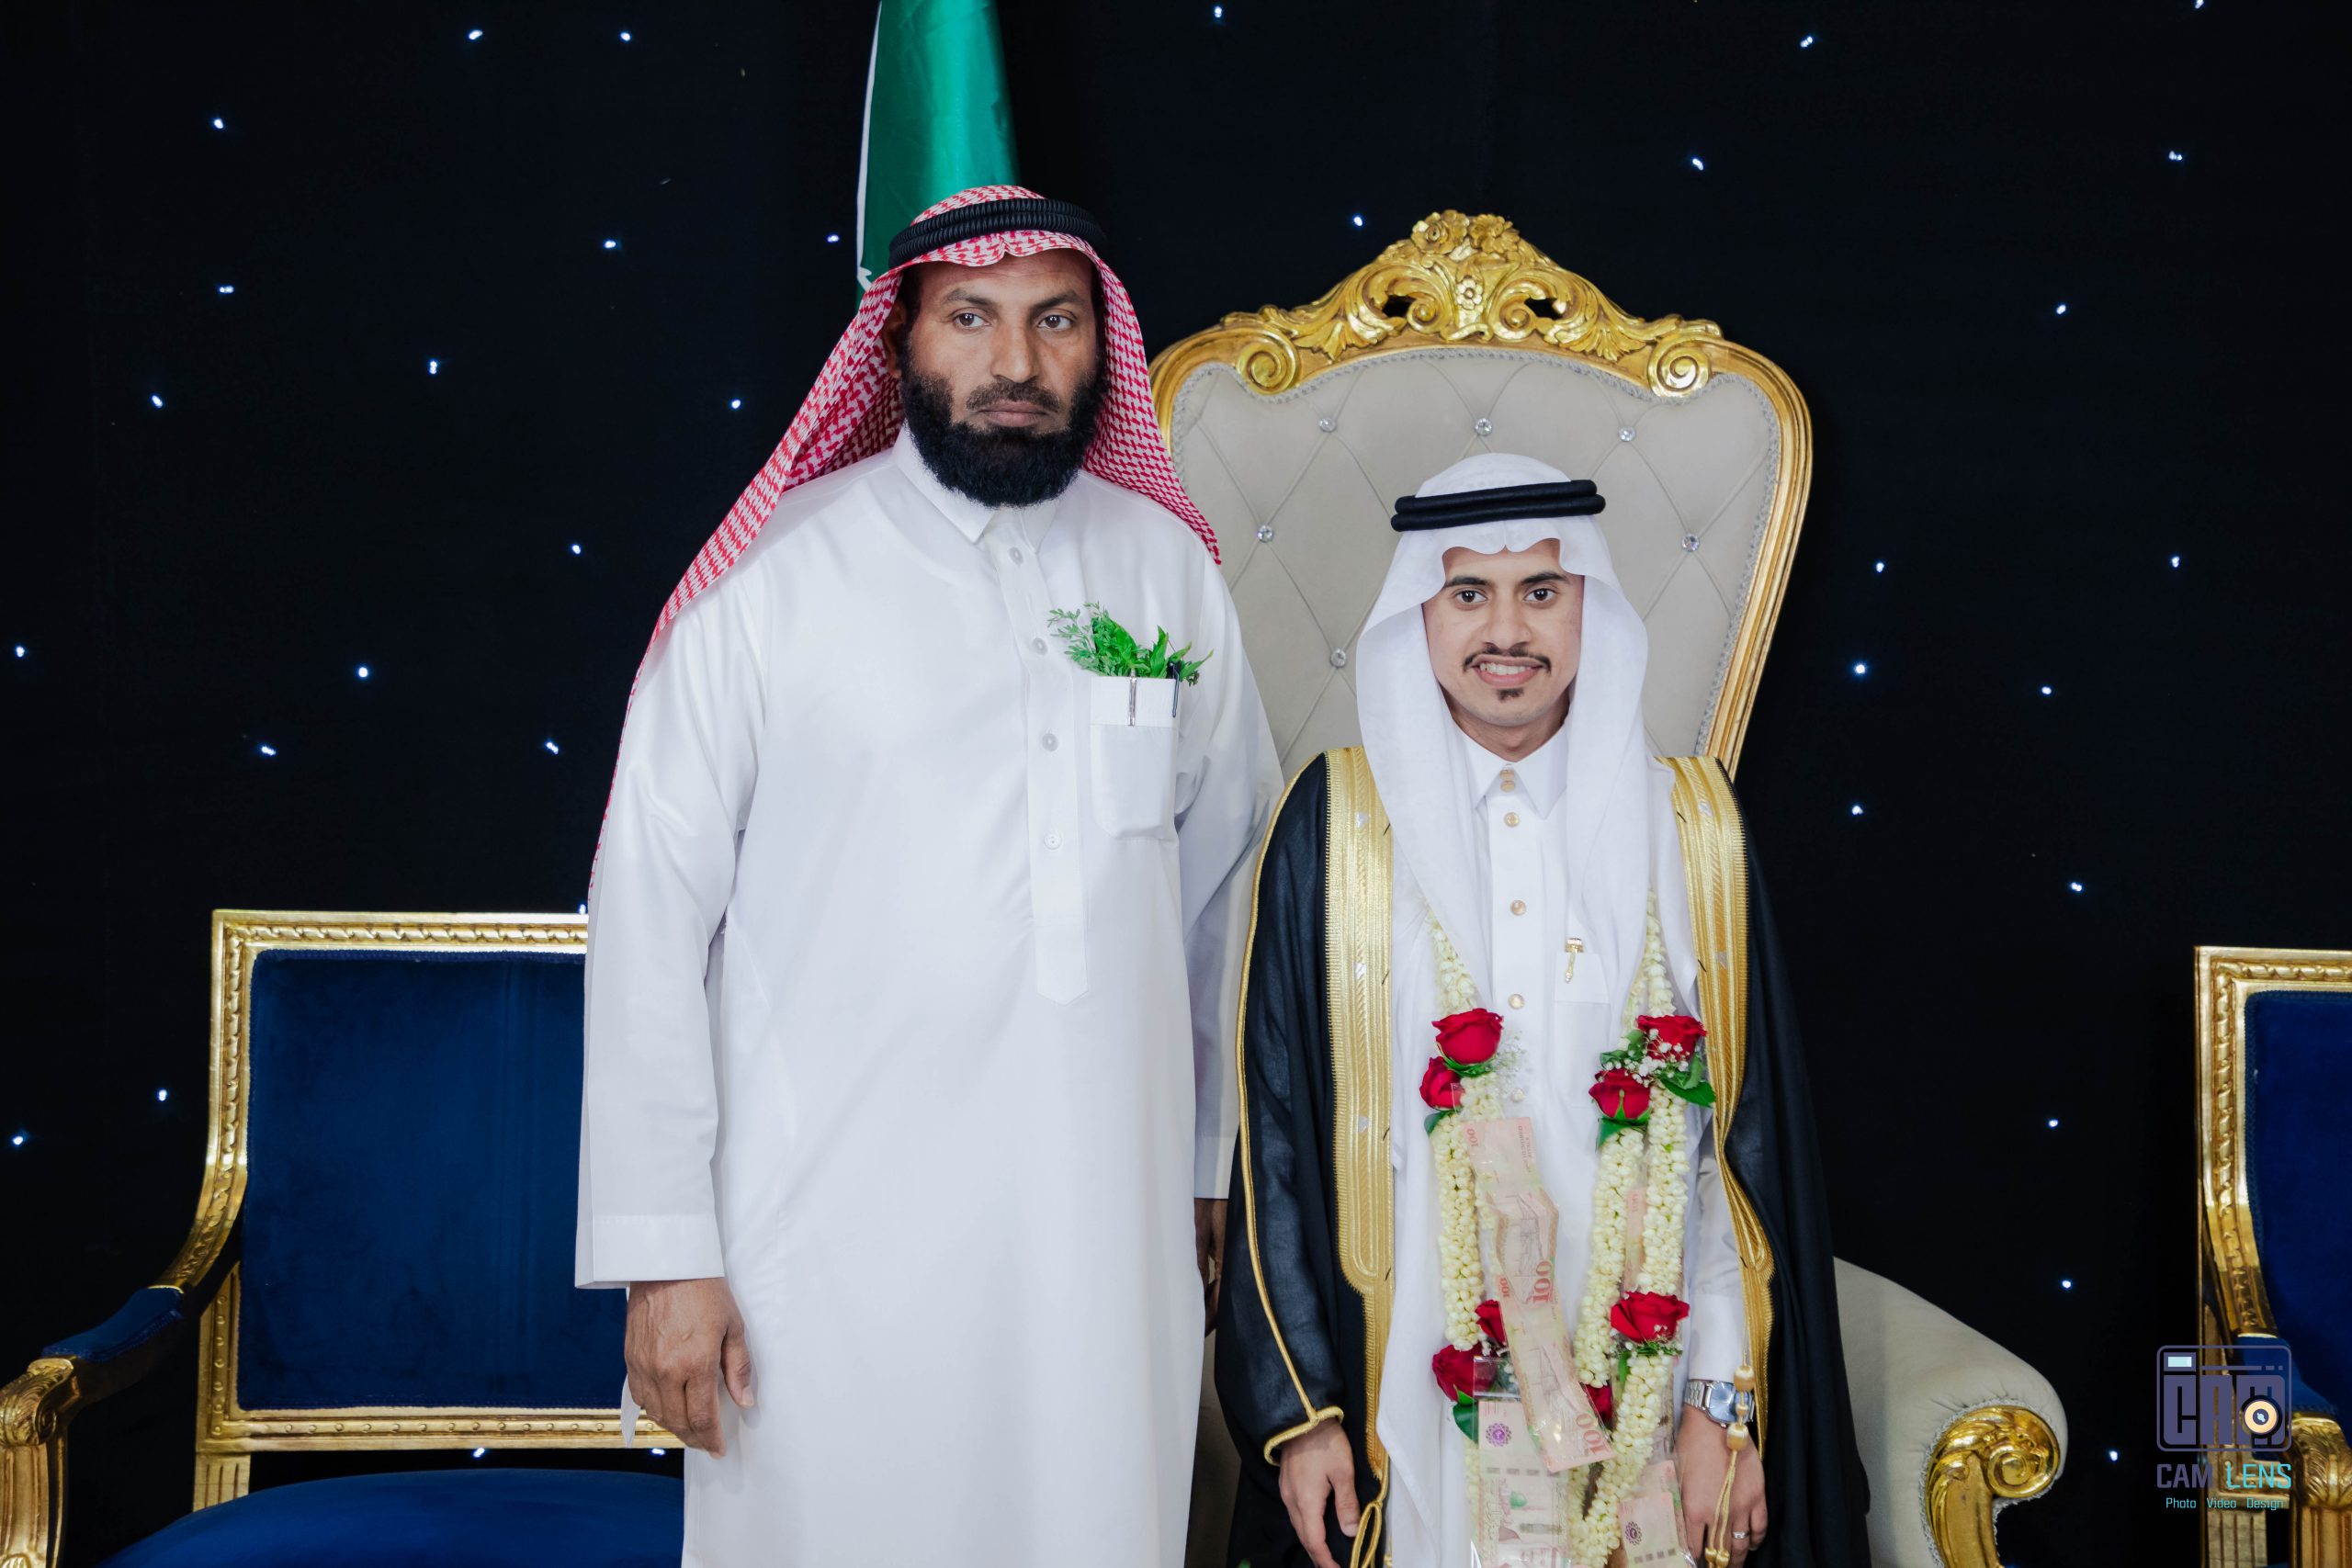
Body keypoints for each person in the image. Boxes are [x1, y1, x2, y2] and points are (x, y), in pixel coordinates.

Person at [575, 184, 1280, 1566]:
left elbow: (1223, 899)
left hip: (1105, 1228)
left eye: (1054, 321)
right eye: (971, 317)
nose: (1015, 362)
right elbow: (650, 918)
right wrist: (665, 1255)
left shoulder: (1166, 573)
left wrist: (1206, 1165)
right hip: (825, 1253)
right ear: (900, 337)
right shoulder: (773, 579)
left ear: (1099, 343)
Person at [1215, 453, 1871, 1567]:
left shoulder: (1689, 830)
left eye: (1541, 591)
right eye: (1468, 592)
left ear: (1589, 607)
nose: (1506, 631)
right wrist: (1304, 1415)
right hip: (1407, 1398)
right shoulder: (1335, 827)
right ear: (1419, 615)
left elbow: (1732, 1157)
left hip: (1649, 1388)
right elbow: (1273, 1134)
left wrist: (1720, 1403)